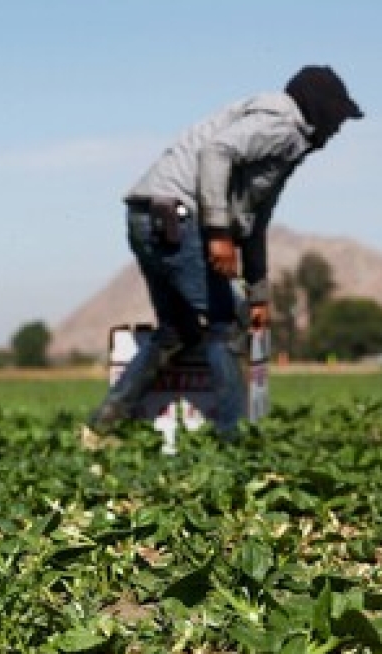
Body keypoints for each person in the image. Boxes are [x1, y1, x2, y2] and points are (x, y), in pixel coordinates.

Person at [85, 65, 362, 440]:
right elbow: (217, 152)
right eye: (337, 118)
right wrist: (217, 231)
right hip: (175, 221)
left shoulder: (282, 136)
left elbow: (254, 220)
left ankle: (101, 426)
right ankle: (233, 441)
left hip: (148, 217)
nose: (338, 129)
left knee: (176, 331)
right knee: (227, 326)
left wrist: (259, 293)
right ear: (319, 108)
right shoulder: (283, 125)